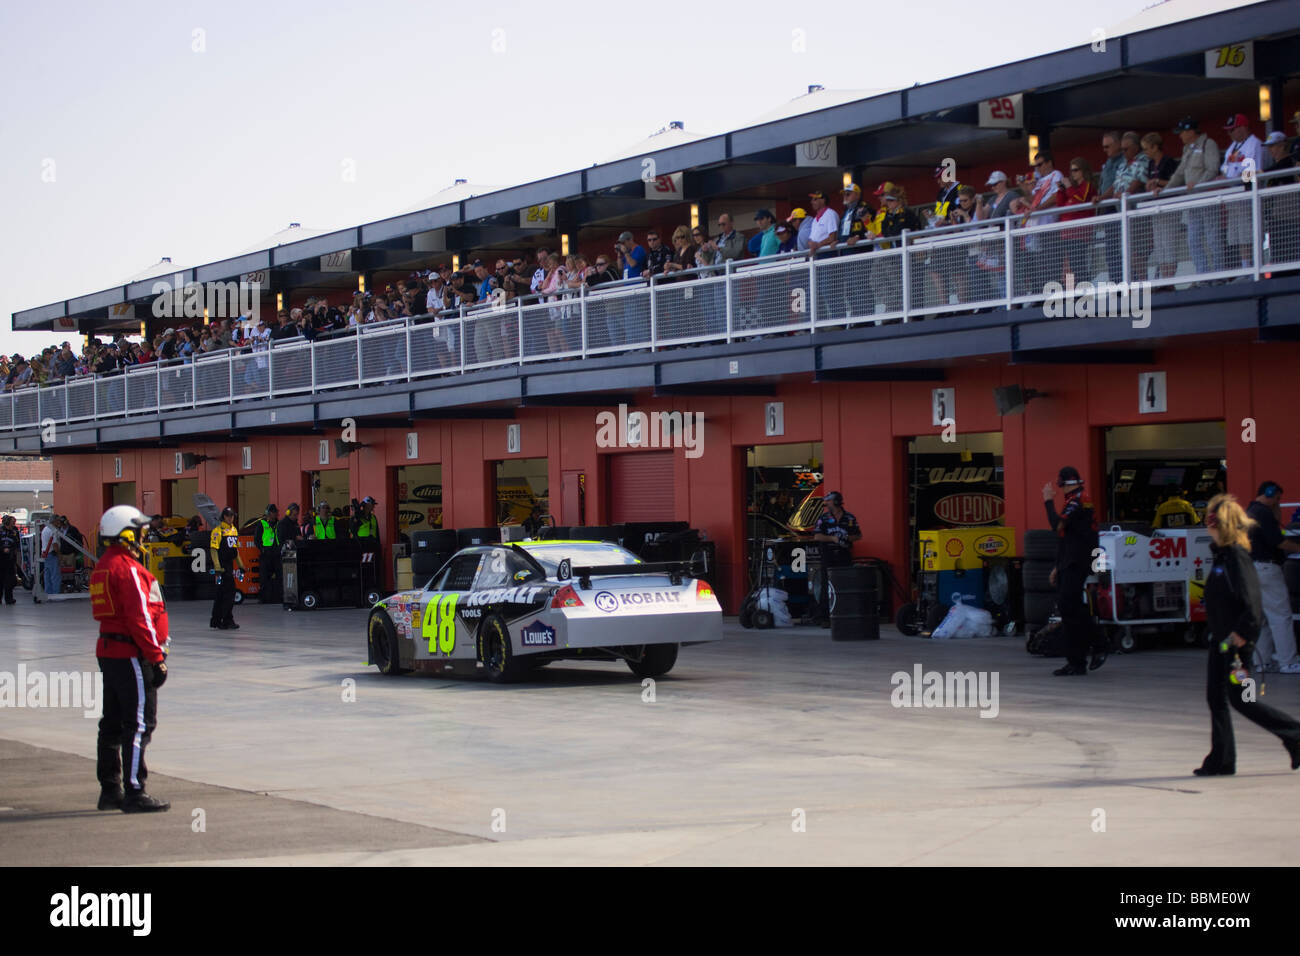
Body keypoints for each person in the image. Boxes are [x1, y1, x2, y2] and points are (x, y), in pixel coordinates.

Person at [1195, 493, 1300, 776]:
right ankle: (1222, 759)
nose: (1207, 525)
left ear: (1219, 524)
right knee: (1215, 698)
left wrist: (1241, 634)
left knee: (1243, 699)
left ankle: (1295, 734)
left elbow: (1252, 603)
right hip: (1221, 641)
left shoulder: (1237, 558)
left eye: (1210, 520)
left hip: (1234, 645)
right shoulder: (1222, 556)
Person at [90, 505, 170, 812]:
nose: (142, 536)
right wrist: (157, 657)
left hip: (109, 652)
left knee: (110, 723)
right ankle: (135, 792)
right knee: (139, 724)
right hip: (130, 656)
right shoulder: (128, 569)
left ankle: (109, 790)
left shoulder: (103, 566)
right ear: (125, 534)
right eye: (138, 530)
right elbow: (140, 618)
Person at [1043, 466, 1103, 676]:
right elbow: (1064, 537)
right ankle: (1076, 661)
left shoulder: (1079, 500)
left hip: (1078, 561)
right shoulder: (1073, 501)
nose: (1061, 491)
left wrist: (1047, 501)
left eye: (1061, 486)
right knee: (1069, 609)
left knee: (1070, 605)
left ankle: (1099, 642)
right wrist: (1057, 567)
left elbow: (1056, 524)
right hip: (1069, 562)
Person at [1154, 117, 1223, 278]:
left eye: (1182, 132)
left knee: (1212, 238)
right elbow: (1179, 173)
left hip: (1207, 198)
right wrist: (1164, 190)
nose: (1180, 136)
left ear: (1191, 131)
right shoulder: (1187, 149)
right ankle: (1203, 275)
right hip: (1192, 201)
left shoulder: (1208, 144)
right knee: (1193, 240)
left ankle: (1220, 274)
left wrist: (1198, 184)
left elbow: (1212, 169)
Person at [1246, 481, 1300, 673]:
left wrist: (1275, 509)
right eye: (1278, 498)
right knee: (1281, 616)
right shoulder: (1264, 513)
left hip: (1250, 570)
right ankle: (1288, 661)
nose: (1279, 502)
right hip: (1267, 568)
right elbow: (1279, 542)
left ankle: (1262, 661)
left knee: (1261, 618)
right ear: (1270, 493)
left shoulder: (1249, 511)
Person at [806, 491, 861, 626]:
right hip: (828, 554)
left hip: (844, 555)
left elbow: (858, 535)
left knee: (845, 584)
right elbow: (817, 536)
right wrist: (833, 538)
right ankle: (824, 617)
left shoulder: (849, 518)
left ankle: (845, 614)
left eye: (829, 501)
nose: (827, 503)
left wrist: (847, 537)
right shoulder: (823, 518)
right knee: (826, 585)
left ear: (836, 502)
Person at [208, 506, 242, 630]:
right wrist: (217, 567)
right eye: (228, 515)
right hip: (221, 567)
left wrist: (241, 565)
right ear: (223, 517)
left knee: (222, 593)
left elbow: (235, 550)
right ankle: (226, 620)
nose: (230, 518)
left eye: (232, 515)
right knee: (228, 594)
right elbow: (213, 550)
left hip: (229, 565)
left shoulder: (234, 530)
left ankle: (217, 620)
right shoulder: (218, 531)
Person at [257, 504, 281, 604]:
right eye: (273, 512)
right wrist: (262, 549)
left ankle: (278, 597)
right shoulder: (262, 523)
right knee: (264, 577)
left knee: (279, 576)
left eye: (276, 512)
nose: (275, 514)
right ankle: (264, 598)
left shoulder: (279, 524)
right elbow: (257, 539)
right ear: (268, 513)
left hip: (277, 553)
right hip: (266, 554)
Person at [0, 513, 19, 604]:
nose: (14, 524)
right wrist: (3, 549)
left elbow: (16, 545)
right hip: (1, 558)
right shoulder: (0, 531)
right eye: (12, 522)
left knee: (10, 580)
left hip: (10, 558)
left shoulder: (15, 532)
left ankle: (9, 599)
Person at [40, 514, 61, 597]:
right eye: (58, 521)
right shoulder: (53, 530)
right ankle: (56, 595)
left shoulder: (45, 529)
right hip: (52, 554)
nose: (59, 522)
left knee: (47, 576)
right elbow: (55, 544)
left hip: (45, 554)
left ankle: (48, 593)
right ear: (54, 521)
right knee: (55, 576)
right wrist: (59, 555)